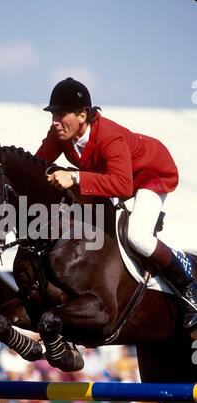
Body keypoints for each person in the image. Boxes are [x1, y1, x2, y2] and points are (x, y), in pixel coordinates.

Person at [36, 77, 197, 336]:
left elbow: (122, 185)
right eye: (53, 114)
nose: (54, 122)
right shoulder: (61, 134)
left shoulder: (109, 137)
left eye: (60, 114)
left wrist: (75, 176)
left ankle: (188, 285)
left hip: (150, 174)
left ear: (82, 115)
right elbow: (37, 166)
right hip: (111, 176)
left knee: (138, 236)